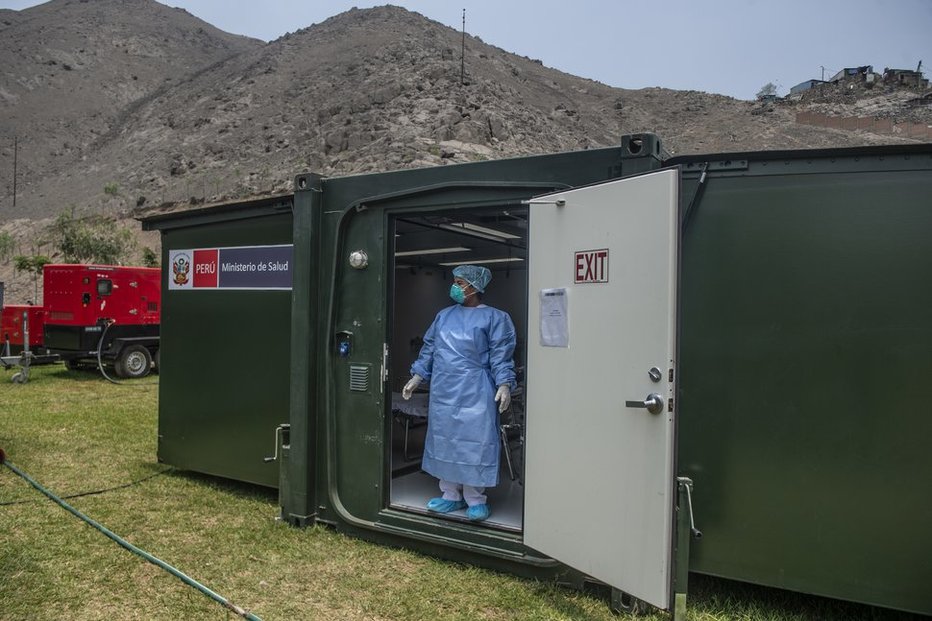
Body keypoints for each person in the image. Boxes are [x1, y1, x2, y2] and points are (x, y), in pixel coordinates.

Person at [402, 264, 516, 522]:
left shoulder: (496, 318)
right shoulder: (443, 316)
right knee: (445, 440)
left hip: (476, 388)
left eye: (460, 282)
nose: (454, 286)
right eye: (454, 281)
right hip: (444, 389)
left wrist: (504, 384)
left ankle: (475, 498)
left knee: (475, 443)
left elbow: (501, 354)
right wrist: (417, 376)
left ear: (475, 287)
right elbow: (430, 348)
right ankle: (450, 495)